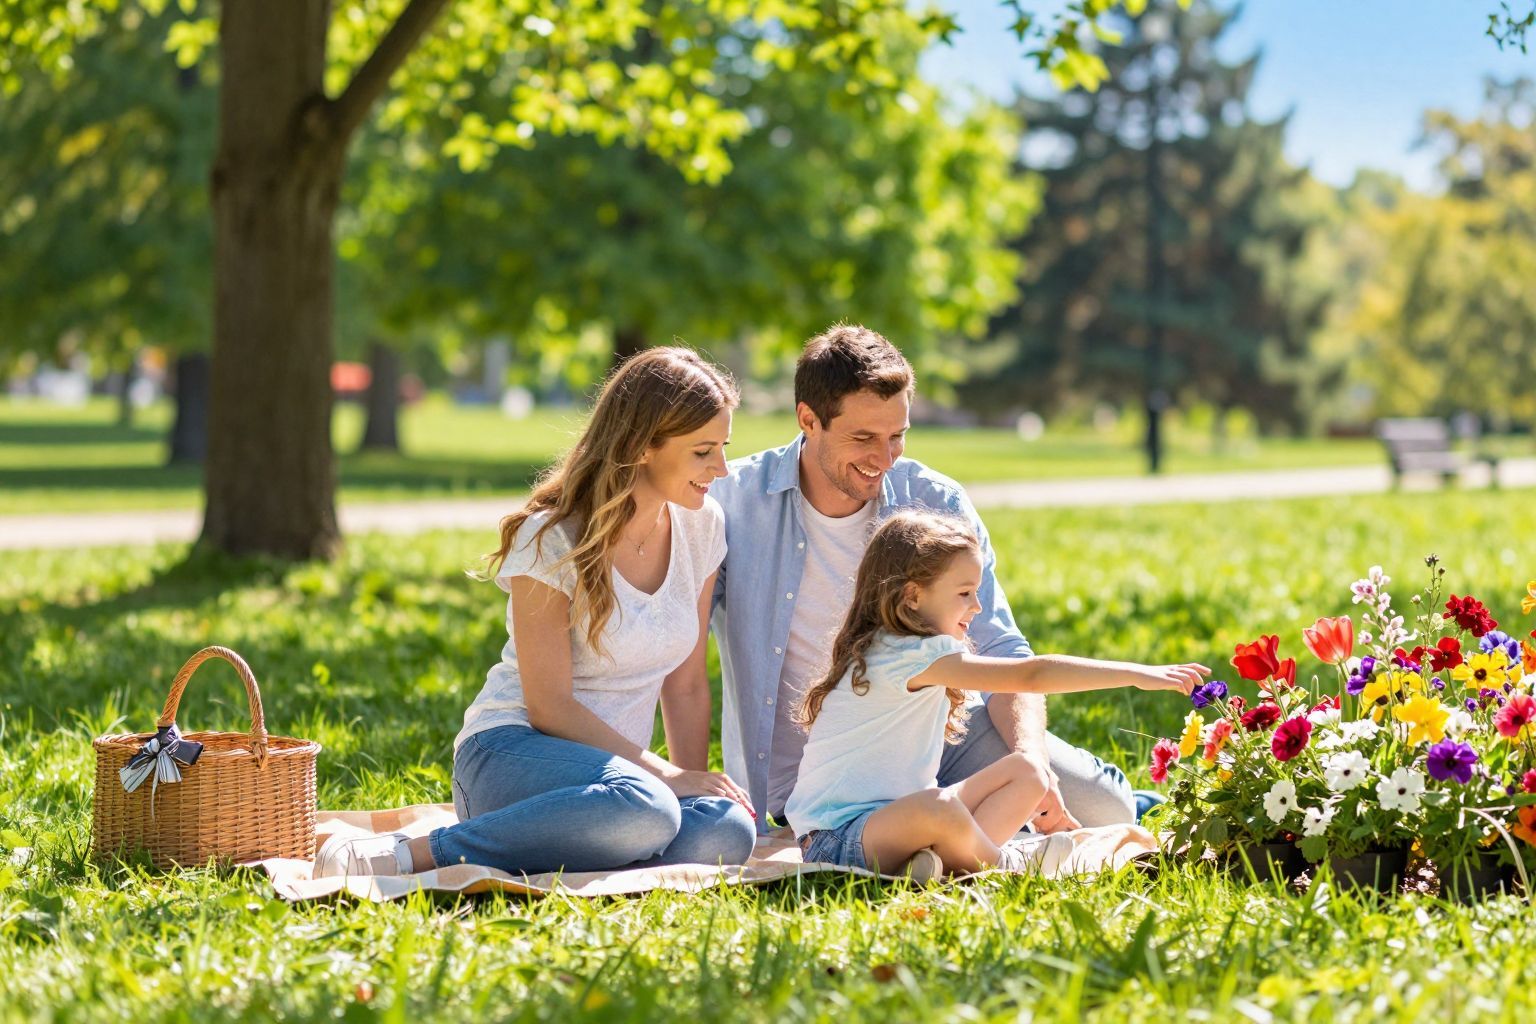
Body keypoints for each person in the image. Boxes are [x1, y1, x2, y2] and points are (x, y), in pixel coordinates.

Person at [315, 348, 756, 878]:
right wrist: (665, 778)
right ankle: (409, 854)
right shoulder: (551, 538)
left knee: (727, 829)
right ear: (642, 446)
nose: (722, 468)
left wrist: (691, 781)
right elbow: (550, 707)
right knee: (646, 808)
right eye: (703, 451)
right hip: (510, 753)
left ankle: (594, 833)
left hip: (617, 784)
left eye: (723, 448)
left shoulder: (702, 525)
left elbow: (684, 686)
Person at [709, 323, 1152, 835]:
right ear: (808, 419)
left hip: (946, 742)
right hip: (820, 782)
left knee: (1106, 813)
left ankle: (1128, 796)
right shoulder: (733, 500)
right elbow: (680, 652)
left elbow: (1004, 648)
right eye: (863, 438)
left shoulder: (936, 500)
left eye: (897, 436)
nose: (884, 457)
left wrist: (1032, 763)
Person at [785, 509, 1206, 877]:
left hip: (900, 824)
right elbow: (1032, 675)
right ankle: (1011, 868)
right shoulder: (901, 653)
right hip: (837, 839)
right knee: (938, 808)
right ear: (912, 595)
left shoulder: (921, 649)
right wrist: (1137, 673)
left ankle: (940, 866)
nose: (977, 607)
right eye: (965, 593)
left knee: (1029, 771)